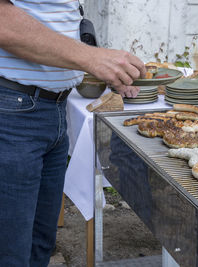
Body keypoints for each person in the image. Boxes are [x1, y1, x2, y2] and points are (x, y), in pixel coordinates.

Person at [0, 0, 146, 266]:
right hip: (12, 114)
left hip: (52, 110)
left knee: (39, 246)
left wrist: (104, 70)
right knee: (10, 253)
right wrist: (92, 57)